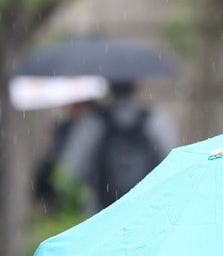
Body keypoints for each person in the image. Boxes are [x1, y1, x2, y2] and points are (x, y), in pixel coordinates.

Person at [57, 80, 175, 216]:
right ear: (136, 87)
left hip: (102, 214)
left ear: (108, 86)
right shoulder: (154, 119)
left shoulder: (93, 123)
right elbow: (170, 163)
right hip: (145, 212)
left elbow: (73, 170)